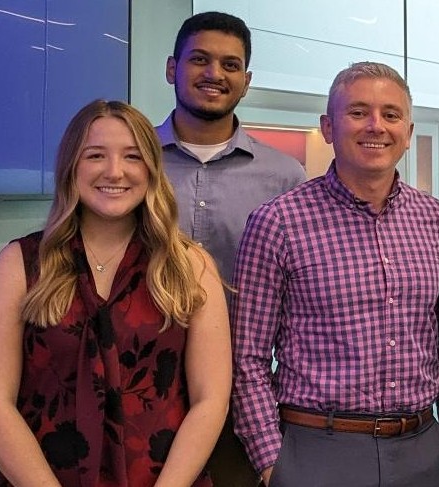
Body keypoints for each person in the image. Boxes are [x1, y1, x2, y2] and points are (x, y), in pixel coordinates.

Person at [0, 100, 231, 487]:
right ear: (71, 167)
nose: (114, 171)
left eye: (132, 156)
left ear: (151, 170)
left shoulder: (191, 268)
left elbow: (211, 400)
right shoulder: (20, 264)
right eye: (95, 156)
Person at [231, 61, 439, 487]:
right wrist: (272, 463)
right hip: (316, 448)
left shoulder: (433, 218)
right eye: (358, 112)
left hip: (423, 449)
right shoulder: (277, 222)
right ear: (328, 127)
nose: (376, 126)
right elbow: (247, 359)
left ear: (408, 134)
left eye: (391, 115)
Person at [156, 12, 307, 484]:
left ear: (246, 81)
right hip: (142, 382)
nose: (214, 74)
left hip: (245, 398)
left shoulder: (285, 178)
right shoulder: (132, 165)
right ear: (171, 68)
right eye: (199, 60)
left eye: (230, 65)